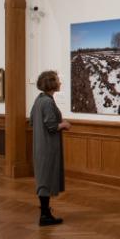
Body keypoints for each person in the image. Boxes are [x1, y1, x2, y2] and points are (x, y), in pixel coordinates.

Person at [30, 70, 71, 226]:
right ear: (51, 83)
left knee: (43, 178)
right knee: (45, 179)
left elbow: (33, 121)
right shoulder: (47, 102)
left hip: (41, 145)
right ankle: (45, 216)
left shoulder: (39, 99)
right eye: (58, 80)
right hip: (47, 147)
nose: (60, 83)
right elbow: (52, 126)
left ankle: (45, 213)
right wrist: (64, 125)